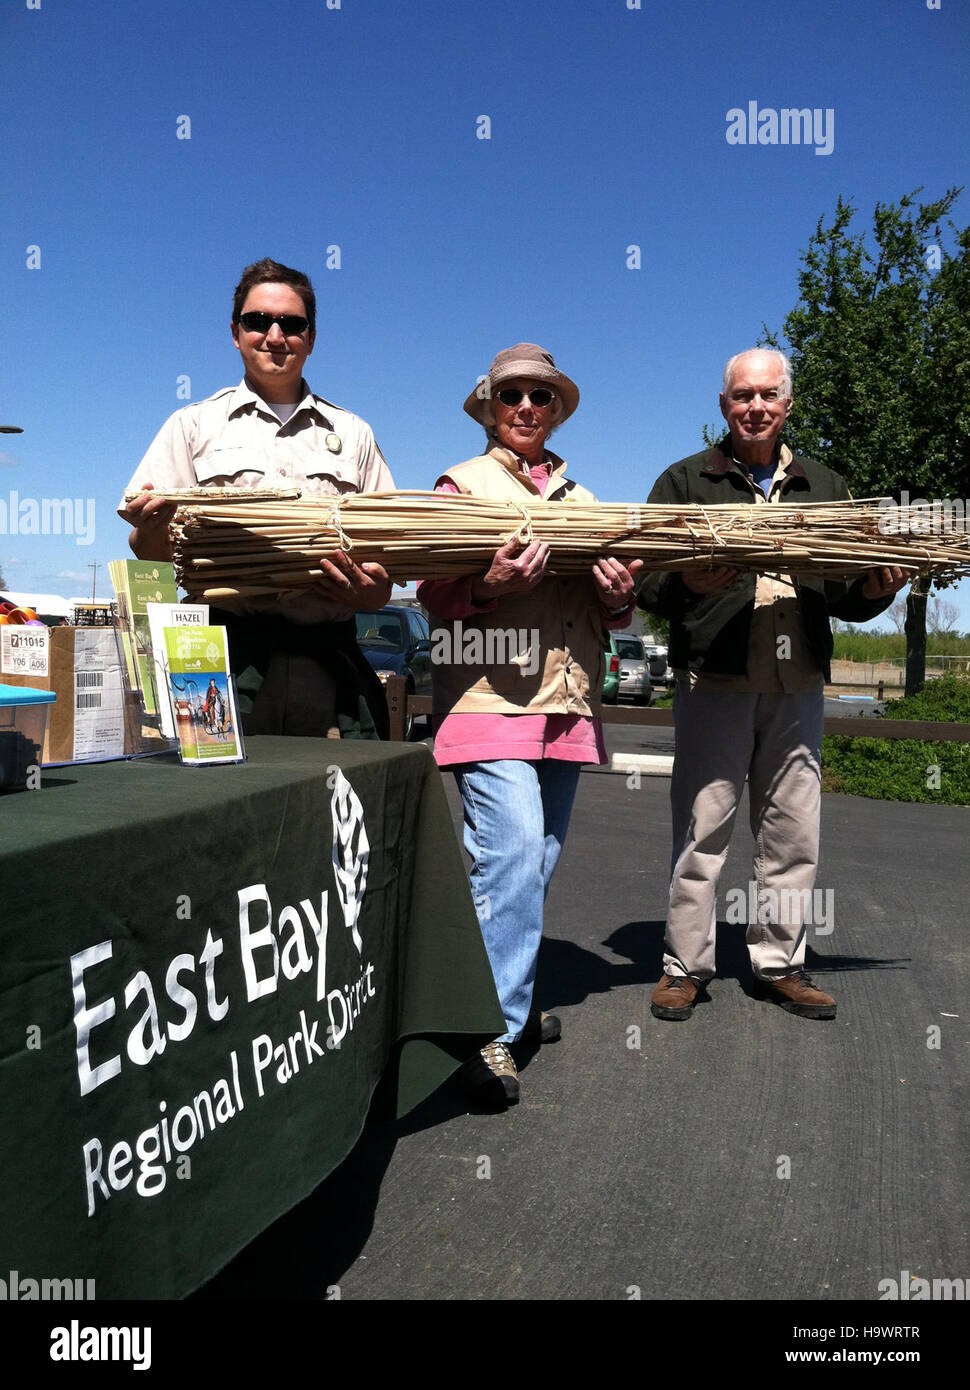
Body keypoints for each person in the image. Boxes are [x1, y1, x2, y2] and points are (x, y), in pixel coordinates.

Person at [637, 348, 908, 1022]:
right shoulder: (685, 481)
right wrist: (684, 583)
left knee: (793, 832)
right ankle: (684, 966)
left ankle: (781, 963)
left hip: (798, 682)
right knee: (704, 828)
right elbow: (641, 577)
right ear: (723, 406)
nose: (754, 406)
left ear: (788, 404)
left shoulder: (825, 484)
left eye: (767, 395)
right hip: (715, 678)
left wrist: (877, 591)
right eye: (740, 396)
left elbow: (845, 591)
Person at [417, 344, 642, 1106]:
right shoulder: (460, 485)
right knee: (509, 855)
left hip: (566, 705)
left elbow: (615, 609)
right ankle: (489, 1029)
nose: (524, 407)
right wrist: (485, 583)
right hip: (488, 701)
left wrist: (618, 598)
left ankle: (500, 994)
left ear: (556, 411)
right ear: (489, 404)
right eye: (510, 393)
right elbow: (432, 597)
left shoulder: (585, 501)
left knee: (531, 866)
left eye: (540, 397)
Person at [119, 258, 394, 739]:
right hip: (220, 654)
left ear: (310, 337)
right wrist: (154, 526)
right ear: (235, 332)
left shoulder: (354, 434)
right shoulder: (192, 426)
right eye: (257, 321)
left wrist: (367, 593)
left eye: (291, 324)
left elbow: (386, 566)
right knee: (219, 803)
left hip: (327, 658)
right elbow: (151, 555)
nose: (274, 335)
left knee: (336, 807)